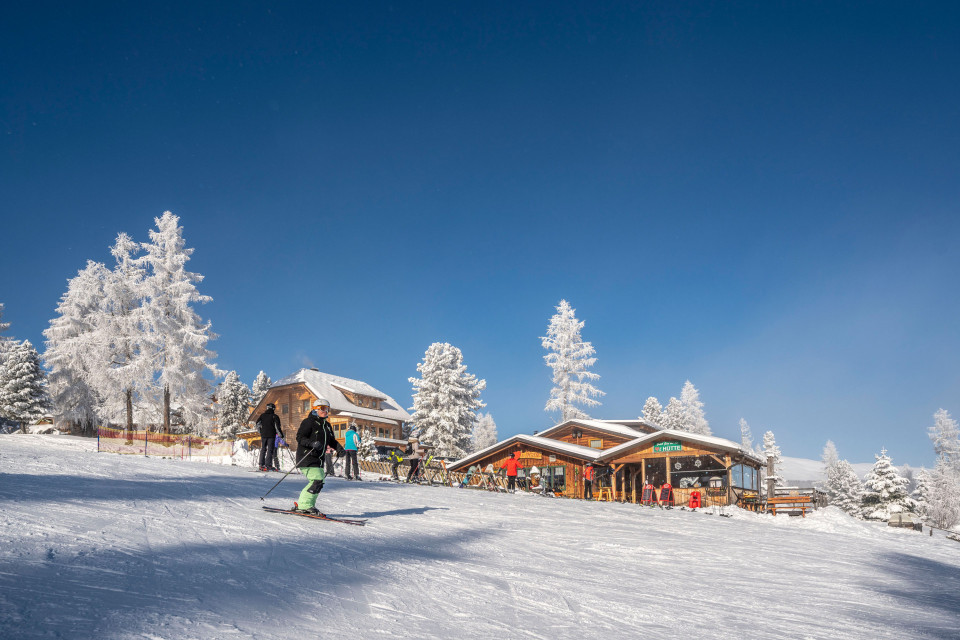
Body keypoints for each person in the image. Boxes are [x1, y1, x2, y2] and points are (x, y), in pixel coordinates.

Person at [293, 397, 344, 515]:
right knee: (317, 481)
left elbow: (332, 440)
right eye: (322, 408)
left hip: (318, 459)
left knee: (319, 482)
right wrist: (312, 444)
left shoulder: (326, 426)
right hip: (307, 456)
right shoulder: (308, 422)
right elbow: (300, 437)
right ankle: (304, 505)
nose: (325, 411)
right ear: (315, 409)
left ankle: (308, 505)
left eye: (327, 409)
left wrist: (339, 449)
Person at [256, 402, 284, 471]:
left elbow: (257, 424)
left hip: (263, 435)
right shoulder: (275, 416)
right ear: (273, 408)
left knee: (263, 449)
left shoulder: (262, 416)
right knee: (270, 449)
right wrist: (281, 435)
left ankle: (261, 464)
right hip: (271, 435)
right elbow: (277, 427)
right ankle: (268, 465)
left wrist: (260, 432)